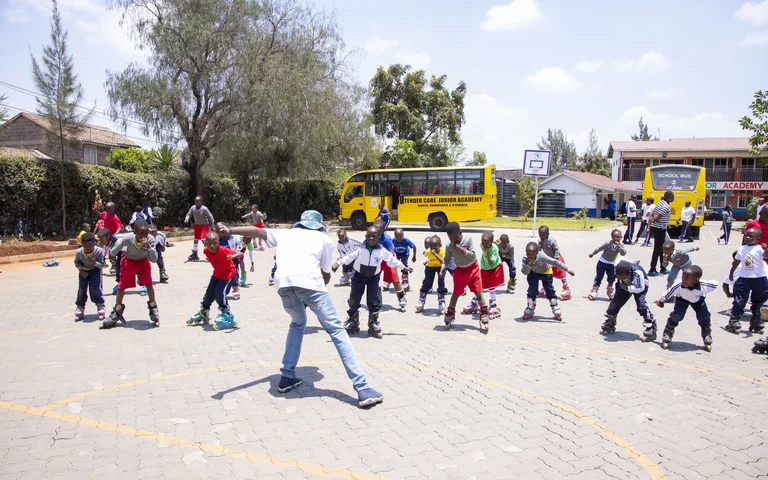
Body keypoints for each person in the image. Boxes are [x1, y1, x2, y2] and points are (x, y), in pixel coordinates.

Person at [230, 210, 385, 408]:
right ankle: (362, 388)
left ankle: (286, 377)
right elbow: (326, 274)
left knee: (297, 323)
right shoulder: (323, 238)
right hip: (311, 286)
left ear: (300, 224)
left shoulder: (286, 233)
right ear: (319, 226)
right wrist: (315, 293)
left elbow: (256, 231)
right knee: (337, 331)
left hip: (284, 285)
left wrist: (229, 229)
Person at [333, 226, 411, 338]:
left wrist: (404, 267)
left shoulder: (381, 250)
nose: (371, 238)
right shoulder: (359, 248)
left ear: (379, 237)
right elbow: (348, 256)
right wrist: (338, 263)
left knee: (374, 300)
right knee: (354, 298)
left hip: (373, 277)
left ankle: (373, 323)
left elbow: (391, 259)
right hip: (359, 276)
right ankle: (352, 322)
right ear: (365, 236)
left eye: (374, 236)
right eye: (369, 235)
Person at [101, 220, 159, 329]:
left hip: (143, 261)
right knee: (121, 286)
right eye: (141, 233)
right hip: (129, 261)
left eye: (146, 233)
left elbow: (154, 259)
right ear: (135, 232)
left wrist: (149, 247)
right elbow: (118, 246)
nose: (144, 236)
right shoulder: (128, 238)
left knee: (148, 283)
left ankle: (153, 307)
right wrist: (112, 254)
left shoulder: (150, 240)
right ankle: (117, 310)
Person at [188, 231, 242, 330]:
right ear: (205, 243)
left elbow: (240, 253)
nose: (212, 245)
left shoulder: (224, 250)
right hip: (217, 273)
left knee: (219, 293)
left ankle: (227, 313)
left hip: (228, 273)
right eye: (209, 243)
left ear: (218, 242)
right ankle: (204, 311)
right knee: (209, 292)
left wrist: (233, 256)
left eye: (215, 242)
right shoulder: (205, 251)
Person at [440, 222, 489, 331]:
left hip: (473, 268)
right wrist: (443, 266)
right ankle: (450, 314)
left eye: (456, 238)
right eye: (451, 238)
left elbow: (473, 254)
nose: (454, 240)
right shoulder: (449, 245)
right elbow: (447, 259)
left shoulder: (468, 239)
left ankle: (484, 313)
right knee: (456, 294)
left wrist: (463, 250)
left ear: (460, 233)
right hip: (460, 271)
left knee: (478, 292)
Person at [655, 265, 716, 351]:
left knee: (704, 316)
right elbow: (670, 292)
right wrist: (661, 300)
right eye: (682, 276)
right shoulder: (679, 285)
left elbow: (715, 284)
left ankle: (706, 333)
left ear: (696, 280)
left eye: (687, 278)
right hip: (682, 299)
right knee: (677, 316)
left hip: (698, 301)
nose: (683, 279)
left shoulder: (704, 285)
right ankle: (668, 331)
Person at [599, 260, 657, 342]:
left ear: (629, 273)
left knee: (641, 306)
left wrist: (628, 288)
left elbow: (640, 288)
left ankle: (650, 326)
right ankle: (610, 321)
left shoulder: (638, 273)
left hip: (640, 286)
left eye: (623, 277)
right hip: (622, 286)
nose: (622, 279)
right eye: (619, 277)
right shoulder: (617, 267)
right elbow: (622, 259)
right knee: (615, 303)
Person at [726, 227, 768, 335]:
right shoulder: (742, 249)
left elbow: (766, 255)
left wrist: (766, 248)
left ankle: (756, 321)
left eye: (751, 236)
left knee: (758, 301)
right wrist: (731, 273)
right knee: (739, 300)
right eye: (746, 235)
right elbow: (736, 262)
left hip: (759, 278)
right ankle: (734, 320)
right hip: (744, 278)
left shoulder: (759, 248)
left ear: (758, 238)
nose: (747, 238)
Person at [521, 242, 574, 321]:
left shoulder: (541, 256)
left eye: (532, 254)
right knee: (532, 290)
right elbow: (524, 272)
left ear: (536, 252)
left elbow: (555, 262)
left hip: (546, 272)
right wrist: (529, 265)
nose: (530, 256)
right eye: (528, 254)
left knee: (549, 290)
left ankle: (555, 306)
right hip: (533, 272)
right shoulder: (525, 258)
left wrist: (568, 269)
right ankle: (530, 306)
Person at [463, 231, 505, 319]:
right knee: (479, 285)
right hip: (485, 268)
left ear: (491, 242)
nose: (484, 245)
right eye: (483, 242)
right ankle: (475, 301)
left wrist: (487, 252)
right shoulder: (482, 245)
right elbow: (486, 245)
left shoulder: (494, 249)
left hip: (494, 267)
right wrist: (489, 245)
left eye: (486, 243)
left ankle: (493, 303)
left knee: (491, 286)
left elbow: (490, 262)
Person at [373, 220, 407, 311]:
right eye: (374, 229)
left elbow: (391, 252)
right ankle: (376, 300)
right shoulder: (372, 236)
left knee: (395, 280)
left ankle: (402, 299)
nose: (375, 232)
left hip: (389, 260)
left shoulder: (386, 239)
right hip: (378, 260)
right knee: (374, 279)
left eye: (378, 230)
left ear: (384, 230)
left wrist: (390, 257)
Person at [73, 232, 106, 322]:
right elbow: (76, 262)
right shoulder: (79, 252)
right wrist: (81, 270)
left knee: (94, 288)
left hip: (95, 271)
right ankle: (80, 306)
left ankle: (100, 305)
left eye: (91, 245)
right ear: (82, 245)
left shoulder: (98, 251)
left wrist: (94, 263)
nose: (88, 248)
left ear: (94, 244)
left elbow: (103, 265)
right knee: (81, 289)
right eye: (86, 246)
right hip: (83, 272)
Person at [588, 229, 626, 301]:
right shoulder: (608, 243)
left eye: (617, 237)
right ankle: (594, 290)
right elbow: (599, 248)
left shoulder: (621, 245)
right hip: (602, 262)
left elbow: (623, 253)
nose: (616, 239)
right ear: (611, 237)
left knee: (611, 278)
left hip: (611, 264)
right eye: (614, 237)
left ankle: (610, 291)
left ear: (621, 237)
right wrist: (593, 254)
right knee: (599, 276)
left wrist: (619, 247)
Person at [416, 236, 448, 314]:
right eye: (431, 246)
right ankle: (421, 299)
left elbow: (443, 261)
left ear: (440, 245)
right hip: (430, 267)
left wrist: (435, 254)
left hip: (440, 267)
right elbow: (427, 255)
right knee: (427, 282)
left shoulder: (443, 251)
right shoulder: (428, 251)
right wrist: (426, 259)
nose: (432, 248)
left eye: (435, 247)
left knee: (441, 283)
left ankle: (441, 300)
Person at [538, 226, 572, 300]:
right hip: (548, 259)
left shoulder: (551, 240)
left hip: (556, 259)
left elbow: (557, 249)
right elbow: (539, 250)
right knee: (547, 273)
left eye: (543, 234)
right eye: (540, 234)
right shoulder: (540, 241)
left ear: (548, 234)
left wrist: (555, 258)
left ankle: (566, 288)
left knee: (561, 273)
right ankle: (546, 287)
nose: (541, 236)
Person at [648, 190, 674, 276]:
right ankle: (652, 269)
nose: (673, 198)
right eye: (672, 196)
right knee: (657, 250)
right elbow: (656, 218)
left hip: (657, 228)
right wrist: (654, 221)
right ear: (667, 196)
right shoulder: (665, 206)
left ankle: (663, 268)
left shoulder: (660, 203)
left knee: (661, 249)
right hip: (660, 229)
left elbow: (651, 214)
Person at [215, 223, 243, 301]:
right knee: (222, 277)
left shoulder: (235, 238)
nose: (221, 230)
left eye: (222, 227)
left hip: (233, 260)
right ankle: (221, 291)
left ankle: (235, 289)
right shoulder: (216, 239)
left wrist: (233, 256)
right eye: (218, 228)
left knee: (234, 276)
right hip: (221, 262)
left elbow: (239, 252)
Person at [184, 196, 215, 262]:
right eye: (195, 201)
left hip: (204, 225)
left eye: (198, 201)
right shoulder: (193, 207)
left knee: (203, 239)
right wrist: (187, 218)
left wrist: (212, 226)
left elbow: (210, 217)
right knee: (196, 239)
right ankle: (195, 254)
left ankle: (209, 253)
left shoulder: (204, 209)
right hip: (197, 225)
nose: (196, 202)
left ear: (201, 202)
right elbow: (189, 214)